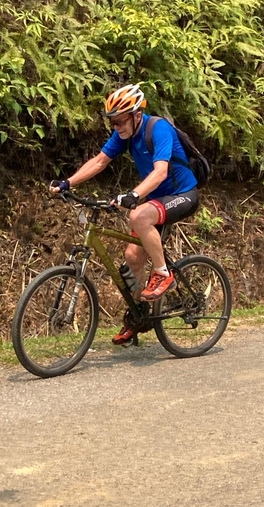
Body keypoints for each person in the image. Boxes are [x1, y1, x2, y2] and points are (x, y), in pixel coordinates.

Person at [50, 83, 199, 344]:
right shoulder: (124, 135)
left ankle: (164, 273)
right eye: (113, 122)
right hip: (157, 199)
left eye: (120, 121)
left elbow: (161, 172)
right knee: (132, 257)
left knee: (138, 216)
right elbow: (99, 161)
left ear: (135, 115)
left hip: (182, 195)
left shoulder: (158, 128)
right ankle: (138, 316)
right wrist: (68, 182)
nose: (116, 127)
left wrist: (134, 195)